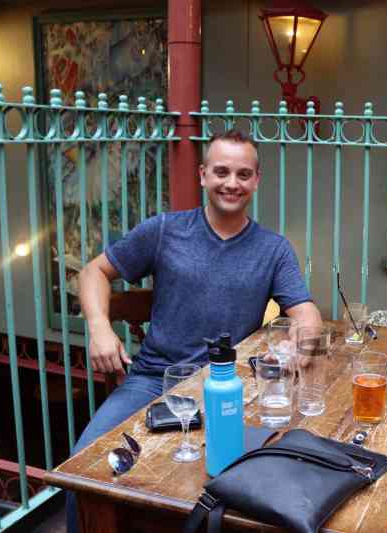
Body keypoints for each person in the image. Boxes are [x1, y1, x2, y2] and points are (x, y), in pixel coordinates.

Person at [68, 130, 321, 532]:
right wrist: (100, 328)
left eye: (243, 174)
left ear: (257, 180)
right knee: (84, 468)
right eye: (221, 171)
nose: (231, 183)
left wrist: (297, 350)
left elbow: (306, 314)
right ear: (203, 175)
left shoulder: (273, 249)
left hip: (229, 386)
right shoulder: (165, 230)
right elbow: (93, 272)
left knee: (250, 487)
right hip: (153, 380)